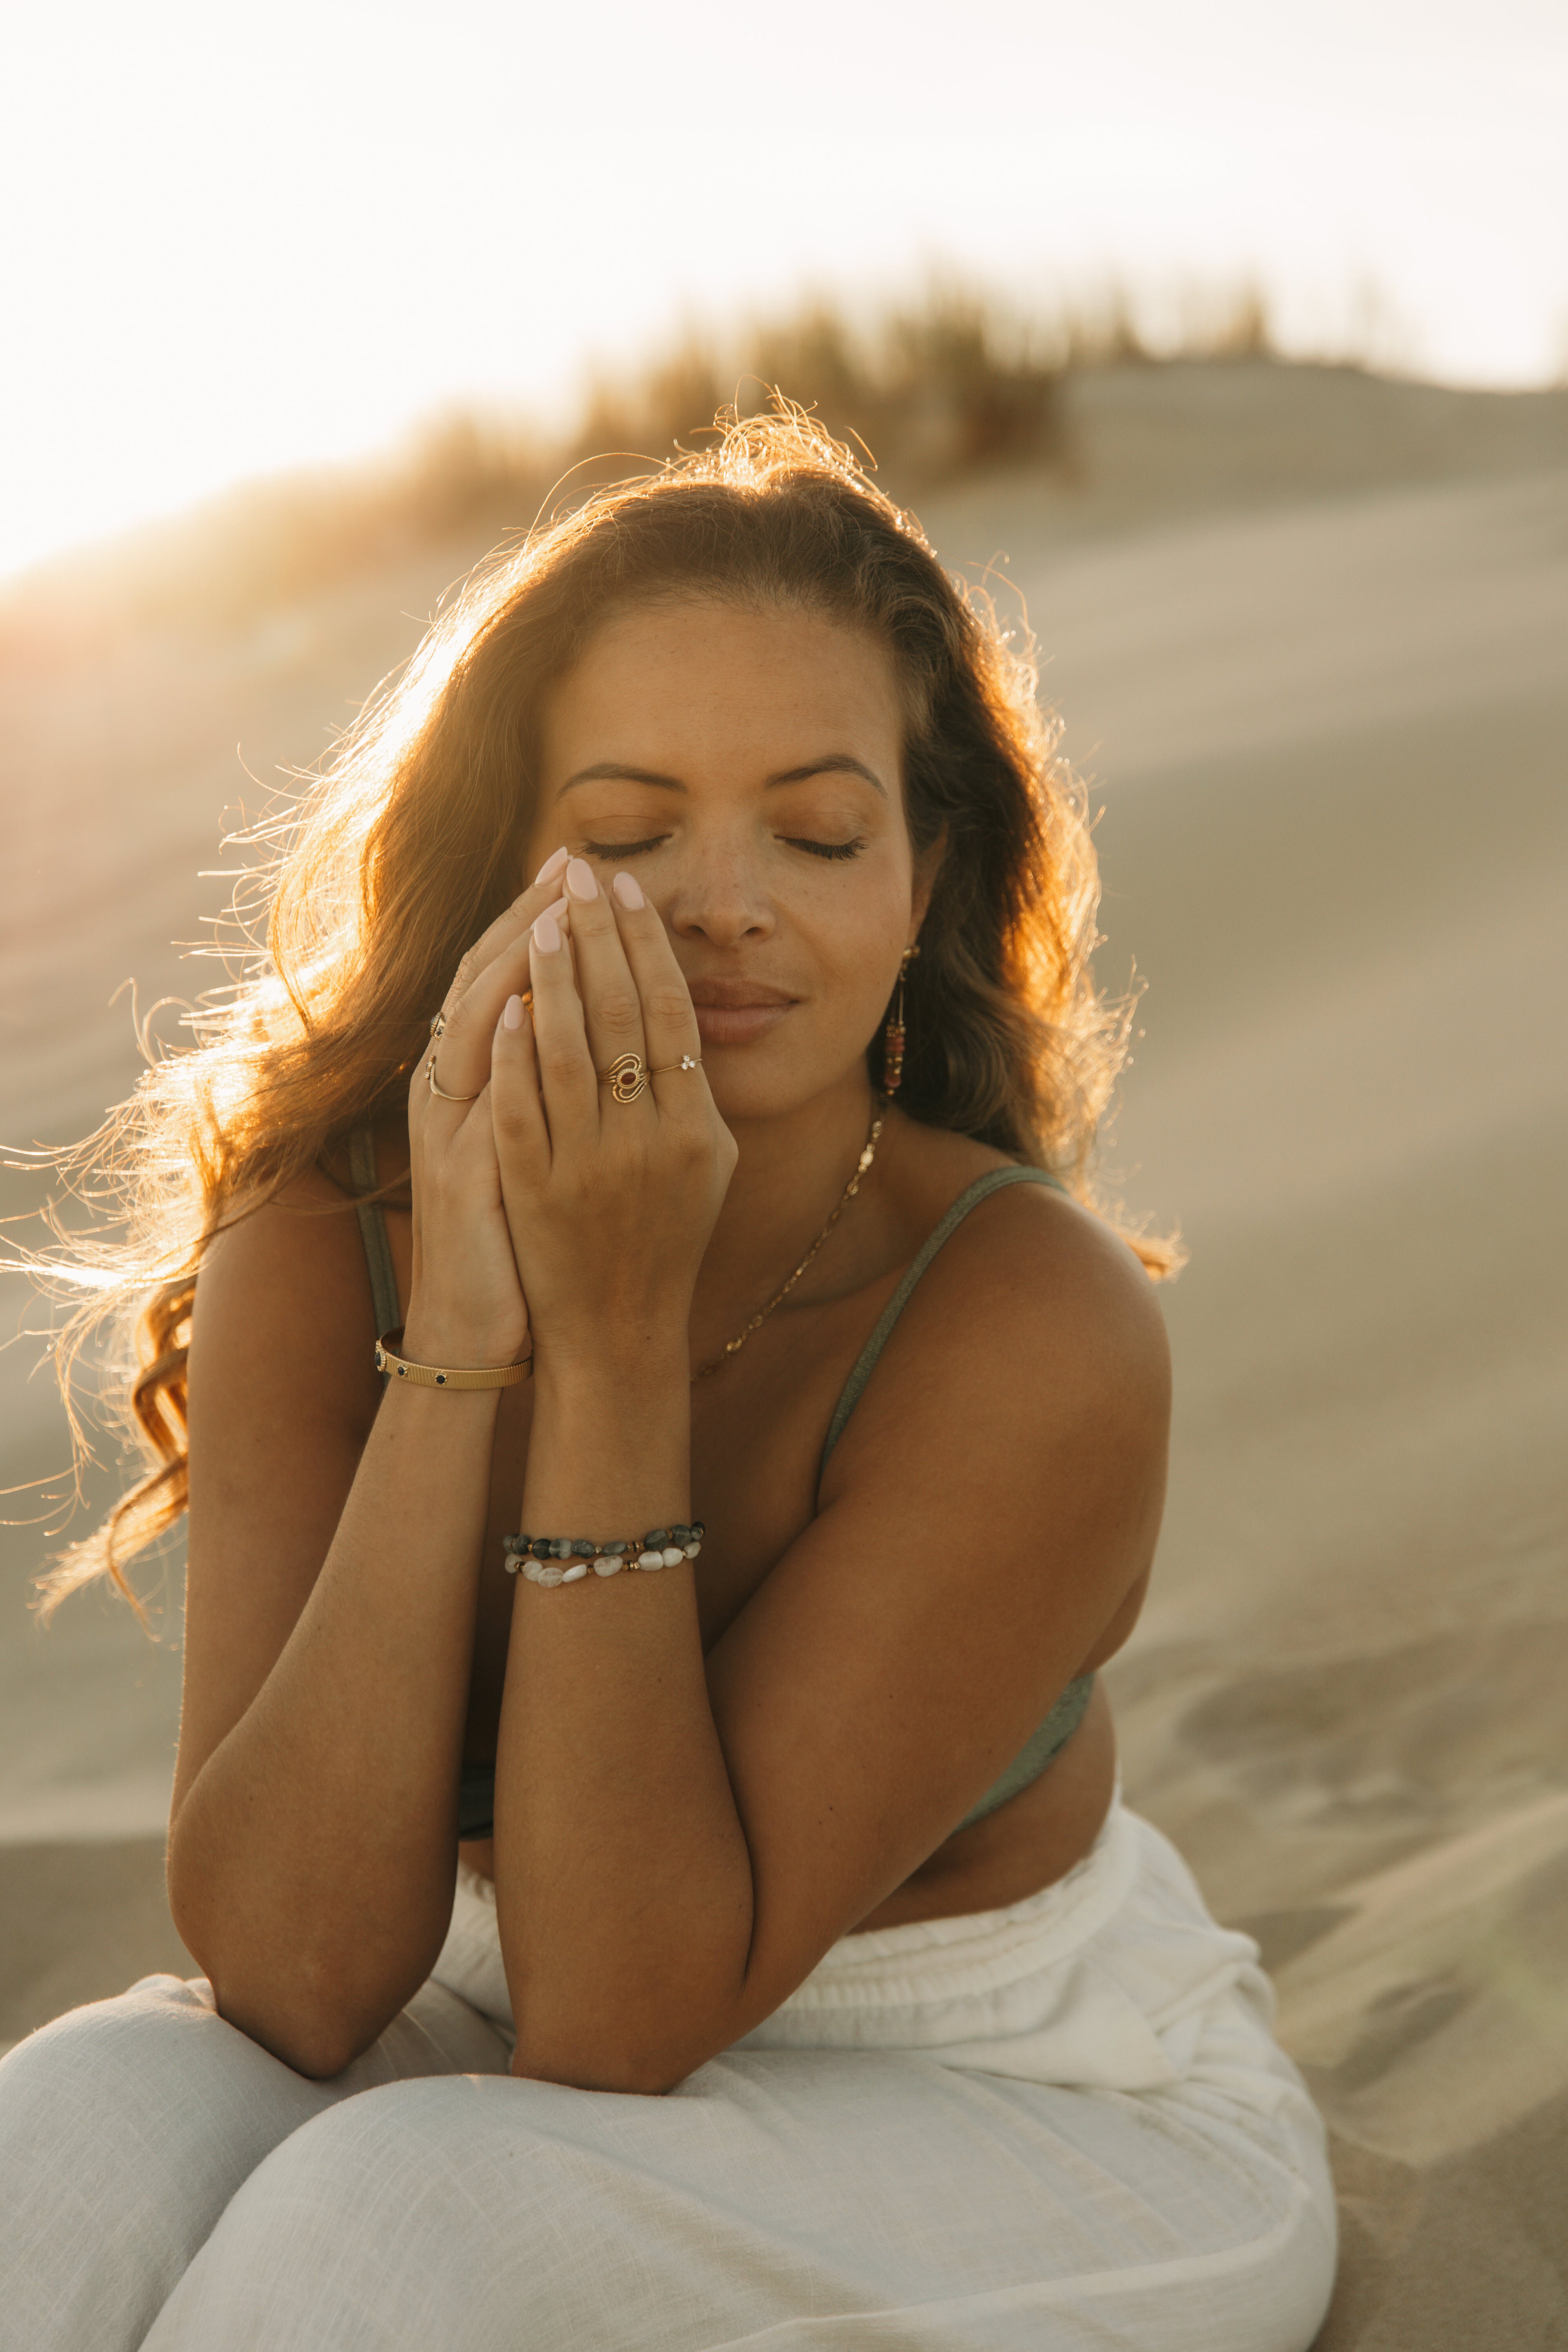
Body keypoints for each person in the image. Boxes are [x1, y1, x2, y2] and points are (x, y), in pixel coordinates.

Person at [0, 411, 1336, 2350]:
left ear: (922, 870)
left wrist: (612, 1345)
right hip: (491, 2027)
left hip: (1024, 2095)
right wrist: (462, 1333)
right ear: (500, 866)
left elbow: (620, 2010)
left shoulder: (1026, 1317)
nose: (725, 900)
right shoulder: (325, 1236)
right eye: (626, 835)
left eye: (817, 831)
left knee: (409, 2218)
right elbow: (297, 1972)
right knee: (70, 2130)